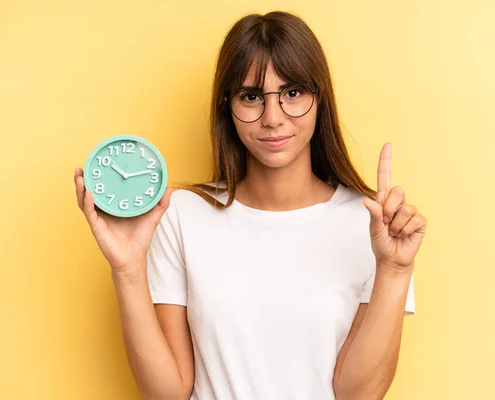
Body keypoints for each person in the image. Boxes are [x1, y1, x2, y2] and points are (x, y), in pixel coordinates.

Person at [74, 10, 427, 400]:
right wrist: (127, 271)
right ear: (227, 105)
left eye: (293, 93)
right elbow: (168, 394)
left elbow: (357, 395)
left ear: (319, 98)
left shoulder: (371, 225)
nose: (273, 118)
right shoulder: (182, 215)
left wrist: (395, 271)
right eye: (251, 96)